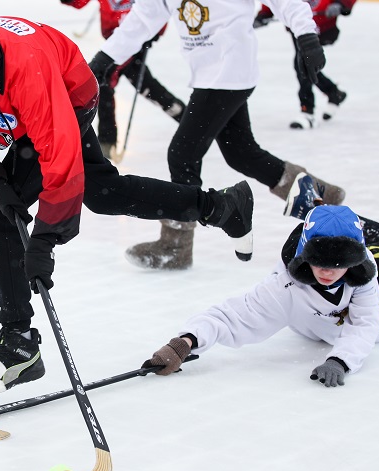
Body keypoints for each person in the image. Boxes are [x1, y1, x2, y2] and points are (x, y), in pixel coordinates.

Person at [0, 13, 254, 396]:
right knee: (102, 192)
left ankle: (19, 346)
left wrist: (45, 240)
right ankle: (220, 207)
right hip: (21, 108)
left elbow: (60, 159)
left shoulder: (25, 69)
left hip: (69, 95)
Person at [87, 0, 347, 271]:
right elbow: (142, 20)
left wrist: (306, 36)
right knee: (242, 154)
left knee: (182, 154)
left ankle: (176, 244)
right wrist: (106, 58)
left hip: (230, 70)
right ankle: (321, 197)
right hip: (209, 73)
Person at [142, 200, 379, 388]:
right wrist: (185, 342)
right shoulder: (284, 287)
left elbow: (364, 324)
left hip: (357, 295)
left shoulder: (362, 269)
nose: (327, 272)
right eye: (319, 261)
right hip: (323, 324)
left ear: (353, 261)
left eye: (339, 263)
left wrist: (340, 360)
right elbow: (232, 317)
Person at [60, 0, 186, 159]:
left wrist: (154, 33)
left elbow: (157, 10)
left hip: (131, 44)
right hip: (113, 46)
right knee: (146, 87)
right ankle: (187, 117)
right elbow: (79, 3)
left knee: (103, 82)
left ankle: (107, 143)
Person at [254, 0, 356, 129]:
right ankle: (332, 93)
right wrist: (264, 14)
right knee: (302, 63)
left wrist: (341, 4)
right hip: (297, 24)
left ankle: (308, 110)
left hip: (321, 23)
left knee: (303, 63)